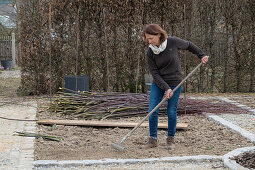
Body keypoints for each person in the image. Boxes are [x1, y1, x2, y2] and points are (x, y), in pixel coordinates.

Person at [142, 24, 209, 150]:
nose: (149, 41)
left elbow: (189, 45)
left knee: (171, 111)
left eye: (151, 38)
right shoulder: (150, 51)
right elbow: (154, 73)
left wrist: (201, 55)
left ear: (159, 35)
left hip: (175, 83)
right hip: (159, 84)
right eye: (147, 39)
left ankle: (170, 140)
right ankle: (153, 140)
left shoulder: (172, 42)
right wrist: (166, 88)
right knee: (152, 111)